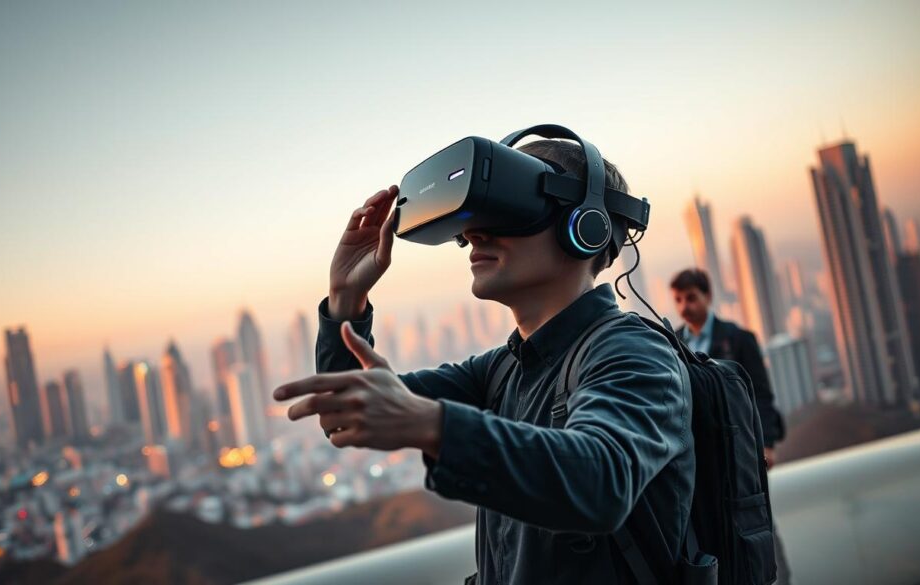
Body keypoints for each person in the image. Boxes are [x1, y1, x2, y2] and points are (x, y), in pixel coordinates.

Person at [274, 139, 694, 583]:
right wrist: (346, 298)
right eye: (476, 215)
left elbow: (602, 481)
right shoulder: (502, 371)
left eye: (509, 209)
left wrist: (433, 424)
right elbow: (348, 410)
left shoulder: (634, 352)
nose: (474, 233)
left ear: (583, 226)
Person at [669, 267, 790, 583]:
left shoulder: (738, 339)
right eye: (678, 300)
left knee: (754, 516)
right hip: (699, 454)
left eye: (691, 297)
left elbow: (759, 396)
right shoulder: (672, 346)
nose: (684, 306)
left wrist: (766, 444)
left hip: (741, 448)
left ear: (707, 296)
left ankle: (770, 576)